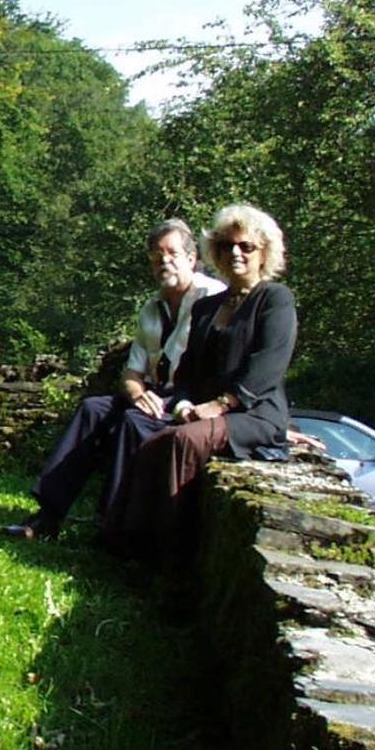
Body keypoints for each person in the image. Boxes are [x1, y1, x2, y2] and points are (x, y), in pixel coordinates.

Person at [2, 219, 223, 539]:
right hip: (155, 393)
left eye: (172, 253)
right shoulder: (151, 308)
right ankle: (47, 516)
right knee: (93, 409)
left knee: (132, 422)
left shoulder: (212, 297)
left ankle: (111, 526)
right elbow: (132, 373)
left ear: (191, 258)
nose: (164, 260)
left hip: (189, 397)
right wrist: (137, 393)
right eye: (156, 254)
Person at [104, 203, 297, 563]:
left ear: (264, 253)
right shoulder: (208, 307)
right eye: (226, 246)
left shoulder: (275, 300)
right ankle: (123, 544)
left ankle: (171, 561)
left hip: (256, 416)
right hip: (207, 412)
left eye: (245, 246)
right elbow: (188, 371)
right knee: (148, 442)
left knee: (181, 443)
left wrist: (221, 405)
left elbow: (268, 367)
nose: (235, 253)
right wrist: (183, 404)